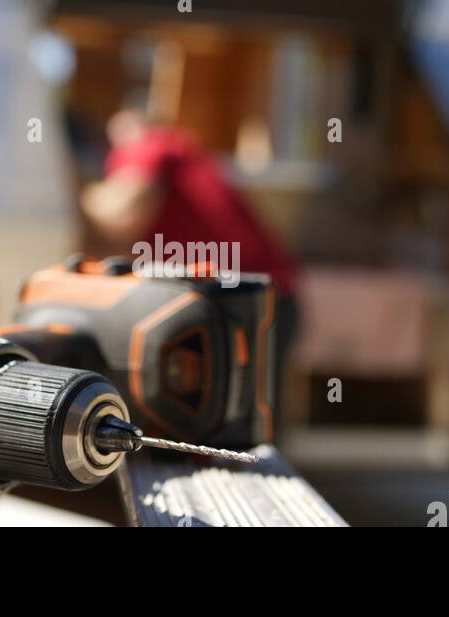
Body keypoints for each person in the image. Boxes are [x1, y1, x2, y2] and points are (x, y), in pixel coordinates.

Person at [80, 110, 299, 424]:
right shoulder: (180, 157)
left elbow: (119, 214)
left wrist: (62, 201)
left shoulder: (151, 145)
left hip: (251, 301)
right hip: (251, 298)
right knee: (235, 423)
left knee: (239, 428)